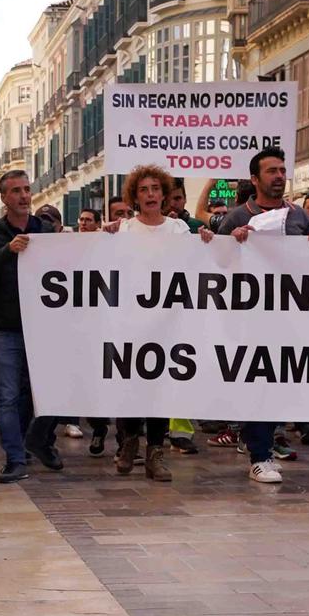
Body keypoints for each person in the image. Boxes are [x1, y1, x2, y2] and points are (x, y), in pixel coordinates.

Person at [211, 149, 309, 484]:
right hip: (252, 317)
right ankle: (258, 456)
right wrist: (235, 243)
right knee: (258, 383)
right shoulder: (238, 216)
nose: (279, 176)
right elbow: (219, 264)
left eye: (282, 170)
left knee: (279, 384)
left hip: (289, 314)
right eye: (271, 171)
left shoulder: (298, 216)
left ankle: (264, 445)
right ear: (255, 179)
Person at [102, 164, 191, 481]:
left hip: (168, 324)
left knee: (159, 389)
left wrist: (208, 240)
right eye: (144, 189)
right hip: (130, 324)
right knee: (129, 386)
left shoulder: (180, 231)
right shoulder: (123, 230)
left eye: (156, 188)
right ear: (134, 196)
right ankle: (128, 443)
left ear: (165, 194)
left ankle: (155, 453)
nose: (151, 194)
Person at [0, 168, 58, 483]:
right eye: (16, 191)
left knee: (48, 390)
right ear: (4, 198)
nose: (24, 196)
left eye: (26, 189)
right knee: (8, 394)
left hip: (44, 327)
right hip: (7, 328)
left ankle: (37, 441)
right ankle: (14, 457)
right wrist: (7, 252)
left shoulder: (46, 230)